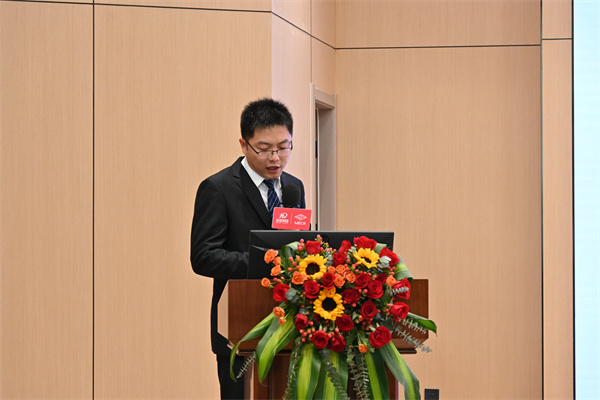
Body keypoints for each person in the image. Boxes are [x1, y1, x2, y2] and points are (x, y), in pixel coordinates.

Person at [190, 98, 306, 399]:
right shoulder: (218, 188)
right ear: (244, 144)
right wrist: (262, 262)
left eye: (283, 147)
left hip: (291, 325)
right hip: (238, 328)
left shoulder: (294, 187)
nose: (275, 158)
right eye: (264, 149)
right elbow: (203, 256)